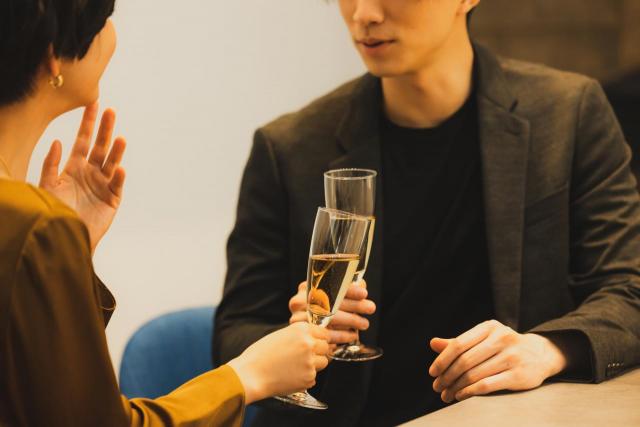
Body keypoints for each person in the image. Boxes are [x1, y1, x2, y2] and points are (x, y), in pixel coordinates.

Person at [213, 0, 640, 425]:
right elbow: (234, 333)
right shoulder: (290, 148)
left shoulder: (566, 115)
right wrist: (295, 340)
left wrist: (548, 348)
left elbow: (628, 287)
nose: (364, 14)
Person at [0, 1, 330, 425]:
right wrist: (247, 375)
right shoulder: (34, 226)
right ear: (52, 56)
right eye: (103, 22)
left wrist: (62, 259)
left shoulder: (33, 225)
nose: (112, 37)